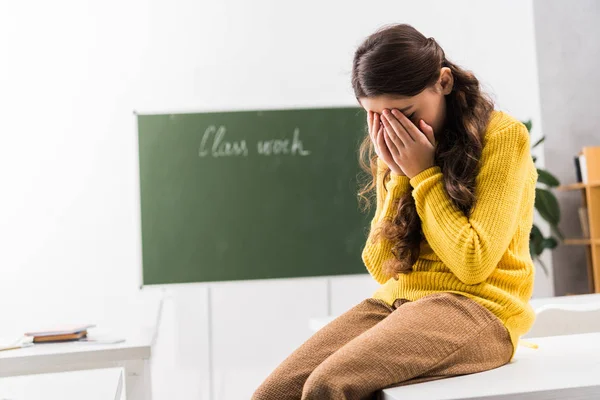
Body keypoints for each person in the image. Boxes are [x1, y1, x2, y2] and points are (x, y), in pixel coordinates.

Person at [252, 23, 537, 400]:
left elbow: (473, 263)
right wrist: (401, 174)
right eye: (377, 119)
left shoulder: (502, 137)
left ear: (444, 82)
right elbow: (382, 263)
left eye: (404, 112)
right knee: (272, 394)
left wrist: (423, 174)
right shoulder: (401, 153)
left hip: (479, 310)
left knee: (327, 387)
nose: (392, 129)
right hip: (399, 303)